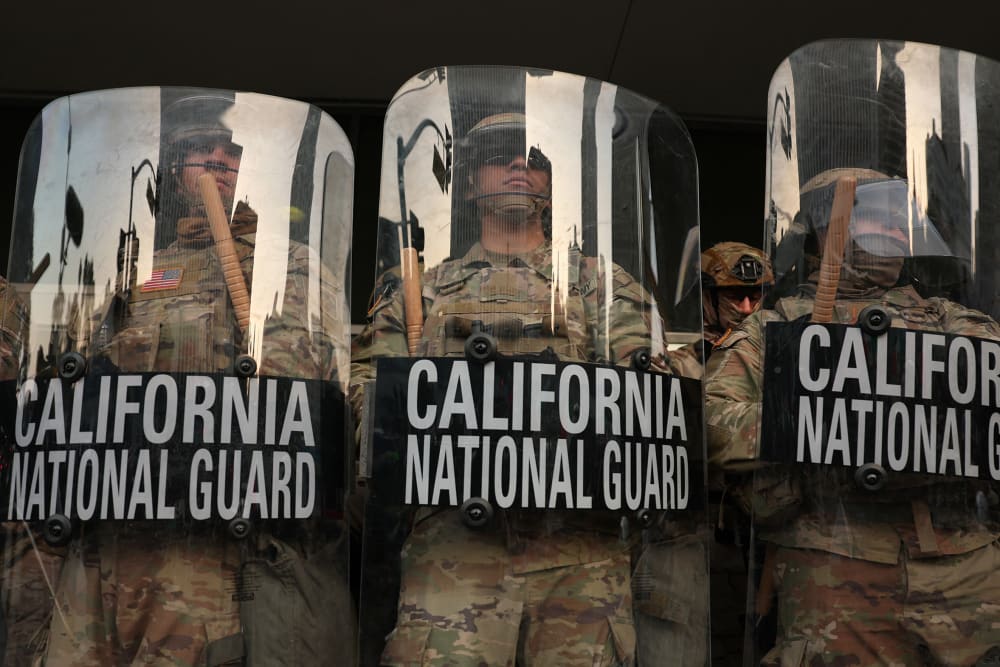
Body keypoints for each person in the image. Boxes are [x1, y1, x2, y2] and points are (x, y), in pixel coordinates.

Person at [40, 91, 353, 666]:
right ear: (174, 169)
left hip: (207, 551)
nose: (216, 160)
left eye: (230, 150)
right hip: (111, 543)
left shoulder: (295, 268)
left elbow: (310, 400)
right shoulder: (143, 278)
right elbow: (91, 398)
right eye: (197, 149)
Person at [352, 112, 658, 666]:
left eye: (537, 158)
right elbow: (363, 401)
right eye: (500, 155)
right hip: (453, 550)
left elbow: (651, 396)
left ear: (551, 182)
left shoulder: (601, 286)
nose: (521, 166)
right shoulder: (420, 291)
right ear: (469, 183)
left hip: (578, 557)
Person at [705, 168, 1000, 666]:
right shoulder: (776, 327)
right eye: (874, 214)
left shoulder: (953, 322)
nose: (896, 228)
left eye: (899, 217)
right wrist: (821, 424)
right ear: (829, 224)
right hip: (835, 562)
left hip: (965, 564)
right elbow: (713, 424)